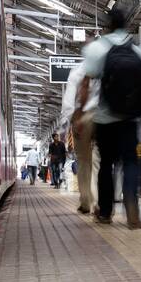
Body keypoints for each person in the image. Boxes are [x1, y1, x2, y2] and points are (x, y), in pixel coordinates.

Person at [79, 7, 141, 228]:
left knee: (106, 164)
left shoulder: (97, 48)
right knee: (130, 161)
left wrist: (81, 111)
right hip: (130, 118)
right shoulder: (137, 51)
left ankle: (106, 213)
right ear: (125, 25)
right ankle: (131, 204)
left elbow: (86, 83)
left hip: (105, 117)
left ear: (107, 26)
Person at [62, 60, 97, 213]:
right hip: (102, 118)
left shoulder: (77, 70)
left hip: (82, 118)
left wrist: (74, 119)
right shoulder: (107, 66)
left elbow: (69, 101)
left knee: (83, 162)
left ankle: (85, 202)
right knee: (98, 161)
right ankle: (98, 202)